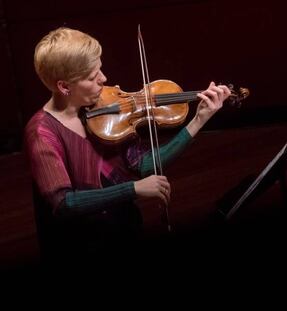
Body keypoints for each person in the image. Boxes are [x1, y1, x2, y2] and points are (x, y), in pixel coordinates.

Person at [24, 27, 230, 266]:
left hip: (124, 230)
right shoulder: (42, 132)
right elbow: (65, 203)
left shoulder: (104, 108)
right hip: (83, 248)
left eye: (99, 69)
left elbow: (144, 165)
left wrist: (199, 120)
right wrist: (133, 189)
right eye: (92, 77)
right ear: (64, 87)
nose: (103, 79)